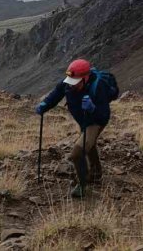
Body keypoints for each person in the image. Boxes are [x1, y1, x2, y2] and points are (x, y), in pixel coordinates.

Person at [36, 58, 115, 198]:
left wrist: (92, 109)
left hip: (95, 121)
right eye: (70, 81)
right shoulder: (69, 82)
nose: (71, 86)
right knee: (88, 144)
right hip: (83, 120)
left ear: (86, 78)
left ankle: (82, 185)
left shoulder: (98, 87)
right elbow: (56, 94)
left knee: (77, 153)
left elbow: (103, 115)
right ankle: (96, 174)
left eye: (75, 83)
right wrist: (45, 105)